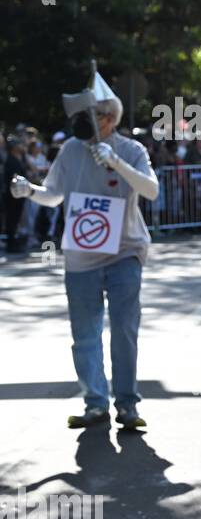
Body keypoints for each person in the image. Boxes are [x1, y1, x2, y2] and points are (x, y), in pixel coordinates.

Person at [8, 72, 159, 428]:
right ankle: (95, 402)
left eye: (93, 114)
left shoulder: (132, 150)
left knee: (124, 330)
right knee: (85, 334)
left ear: (110, 119)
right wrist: (29, 190)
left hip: (125, 252)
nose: (84, 121)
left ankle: (127, 404)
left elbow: (151, 190)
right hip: (81, 257)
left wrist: (117, 162)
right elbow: (53, 194)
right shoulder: (70, 150)